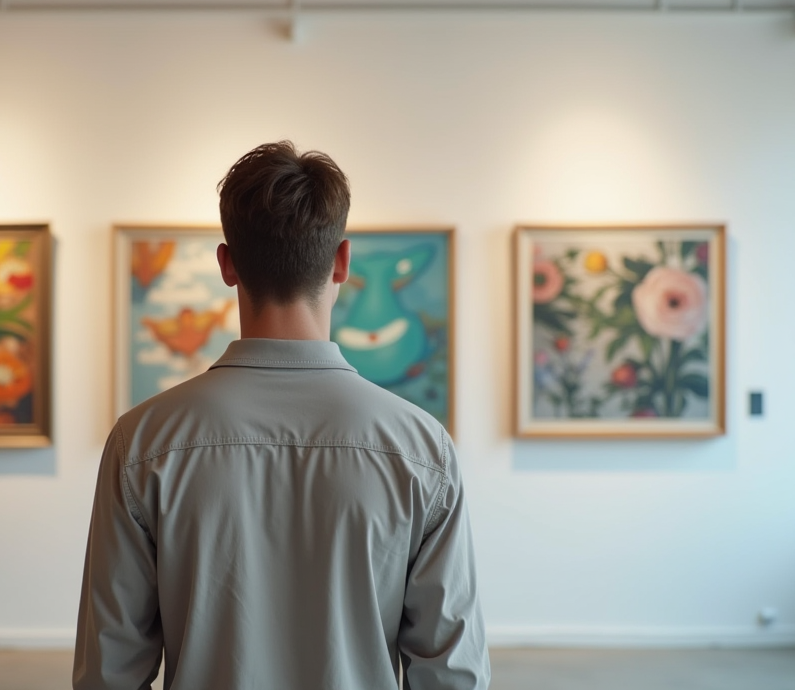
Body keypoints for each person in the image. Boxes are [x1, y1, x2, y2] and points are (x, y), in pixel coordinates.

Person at [73, 142, 489, 690]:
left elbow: (110, 672)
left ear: (227, 264)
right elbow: (452, 675)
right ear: (342, 262)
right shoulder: (420, 448)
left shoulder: (144, 441)